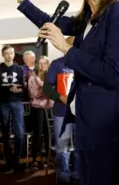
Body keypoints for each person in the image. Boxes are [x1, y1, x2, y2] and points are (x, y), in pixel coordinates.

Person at [7, 0, 119, 184]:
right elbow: (47, 20)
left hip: (109, 129)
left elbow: (114, 74)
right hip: (86, 124)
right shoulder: (86, 21)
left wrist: (67, 49)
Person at [46, 55, 79, 185]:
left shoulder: (87, 63)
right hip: (62, 112)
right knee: (63, 149)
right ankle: (63, 179)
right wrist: (59, 97)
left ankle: (77, 177)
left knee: (80, 148)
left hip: (82, 113)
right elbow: (47, 88)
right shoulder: (57, 64)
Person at [0, 45, 25, 172]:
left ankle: (17, 159)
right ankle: (8, 160)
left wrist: (18, 89)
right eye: (6, 53)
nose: (9, 55)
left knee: (19, 132)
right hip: (3, 102)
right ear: (3, 55)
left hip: (17, 102)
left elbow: (23, 87)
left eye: (11, 53)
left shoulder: (19, 68)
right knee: (5, 132)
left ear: (14, 54)